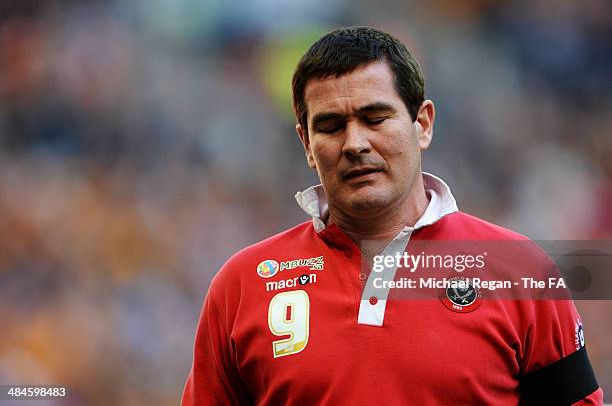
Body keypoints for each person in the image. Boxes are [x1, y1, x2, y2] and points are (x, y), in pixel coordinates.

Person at [182, 27, 603, 405]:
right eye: (330, 126)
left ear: (422, 124)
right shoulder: (242, 285)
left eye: (375, 118)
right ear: (306, 143)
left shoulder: (521, 270)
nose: (355, 143)